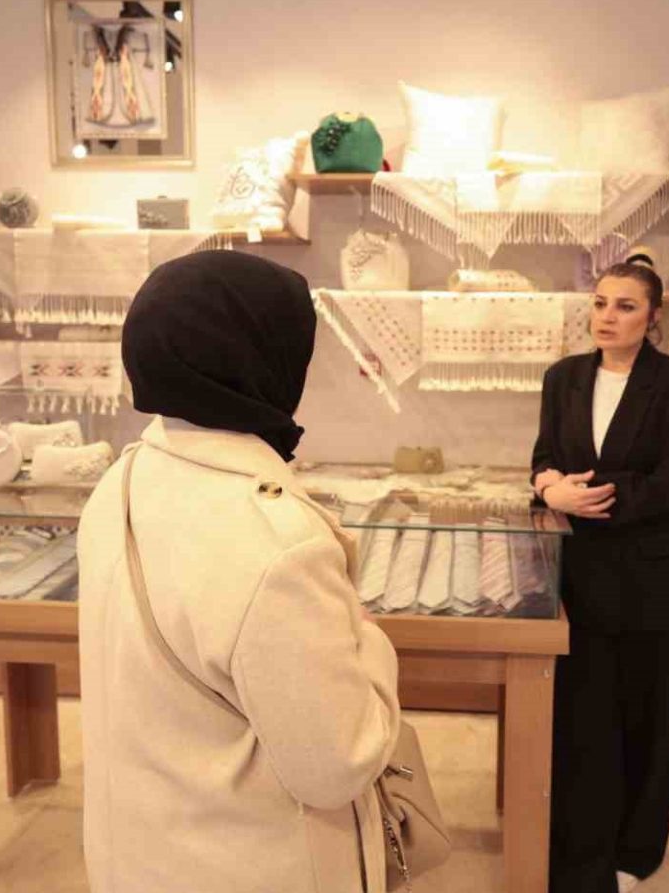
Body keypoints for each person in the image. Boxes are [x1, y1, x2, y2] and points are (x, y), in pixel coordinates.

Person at [76, 250, 402, 893]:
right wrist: (369, 641)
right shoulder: (278, 545)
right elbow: (337, 764)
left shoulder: (122, 480)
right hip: (248, 862)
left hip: (140, 853)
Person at [531, 254, 669, 893]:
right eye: (600, 303)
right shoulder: (563, 378)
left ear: (653, 317)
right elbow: (544, 457)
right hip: (580, 579)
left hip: (655, 585)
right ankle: (578, 851)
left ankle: (636, 853)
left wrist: (583, 497)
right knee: (582, 721)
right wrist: (548, 487)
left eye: (625, 306)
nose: (607, 317)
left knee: (648, 722)